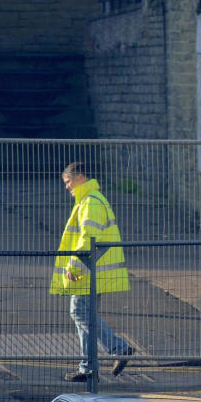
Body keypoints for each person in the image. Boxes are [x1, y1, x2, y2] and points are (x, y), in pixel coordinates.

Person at [51, 161, 134, 382]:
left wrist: (74, 265)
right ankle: (88, 368)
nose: (67, 187)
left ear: (80, 177)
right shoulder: (89, 201)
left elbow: (89, 238)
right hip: (91, 270)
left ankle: (118, 348)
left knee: (80, 313)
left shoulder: (91, 202)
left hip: (87, 271)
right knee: (84, 315)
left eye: (68, 181)